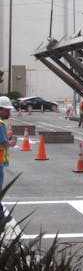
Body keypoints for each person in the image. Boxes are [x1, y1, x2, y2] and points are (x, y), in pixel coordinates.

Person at [0, 96, 16, 224]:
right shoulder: (0, 125)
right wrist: (13, 142)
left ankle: (1, 216)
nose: (9, 113)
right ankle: (1, 218)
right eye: (7, 110)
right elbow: (5, 143)